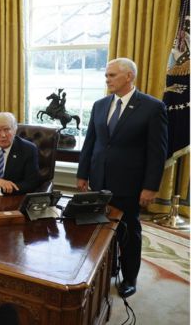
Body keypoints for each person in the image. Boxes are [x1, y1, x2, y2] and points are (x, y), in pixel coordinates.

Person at [77, 57, 167, 298]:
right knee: (102, 229)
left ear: (129, 76)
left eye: (112, 75)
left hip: (130, 184)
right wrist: (82, 173)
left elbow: (157, 152)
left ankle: (129, 277)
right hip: (99, 178)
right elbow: (90, 142)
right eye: (106, 75)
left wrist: (150, 187)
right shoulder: (99, 105)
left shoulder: (152, 107)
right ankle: (108, 269)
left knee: (128, 232)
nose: (107, 80)